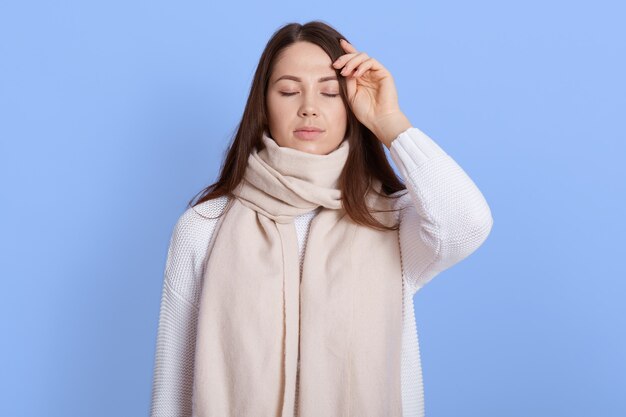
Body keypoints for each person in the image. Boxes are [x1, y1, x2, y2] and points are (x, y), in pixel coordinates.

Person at [149, 20, 493, 417]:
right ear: (264, 107)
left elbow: (467, 223)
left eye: (330, 91)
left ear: (350, 108)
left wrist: (389, 122)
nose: (308, 106)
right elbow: (173, 389)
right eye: (289, 91)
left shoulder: (390, 223)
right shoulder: (205, 226)